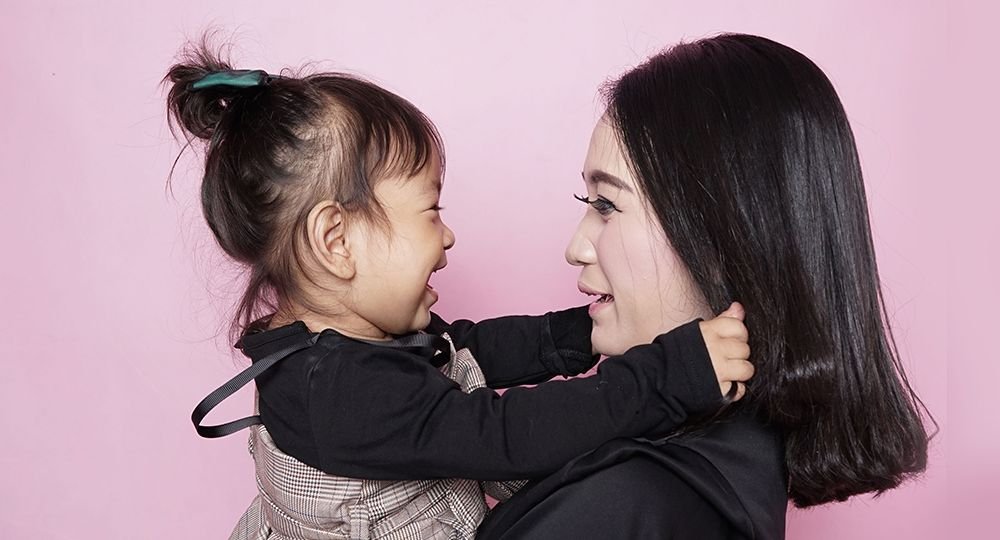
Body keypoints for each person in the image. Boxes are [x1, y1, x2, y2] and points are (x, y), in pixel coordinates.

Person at [165, 41, 756, 539]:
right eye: (430, 209)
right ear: (337, 240)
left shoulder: (341, 338)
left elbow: (467, 349)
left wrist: (579, 333)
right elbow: (506, 436)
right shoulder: (340, 391)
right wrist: (670, 374)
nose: (447, 236)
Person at [478, 33, 931, 540]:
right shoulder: (713, 481)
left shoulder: (624, 505)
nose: (577, 247)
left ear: (722, 234)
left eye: (606, 204)